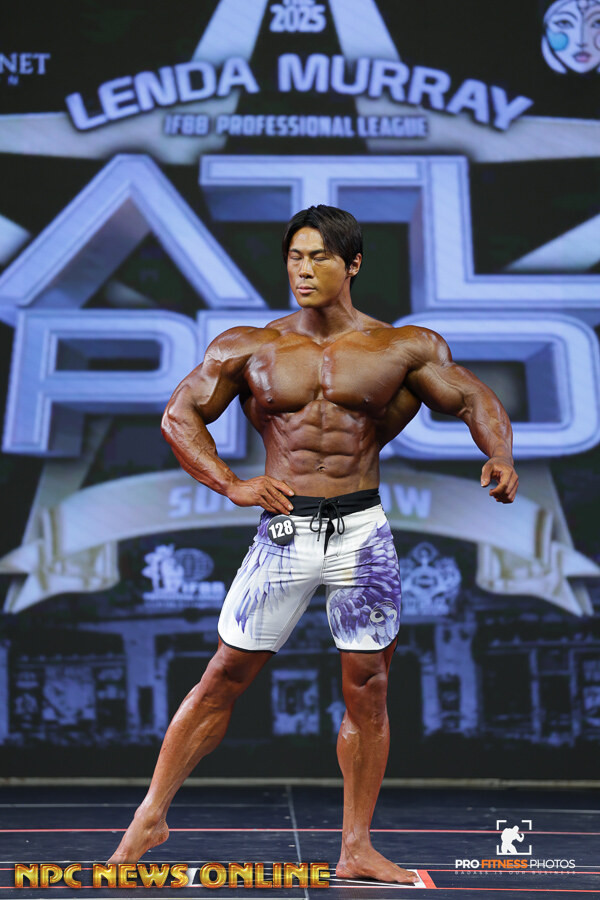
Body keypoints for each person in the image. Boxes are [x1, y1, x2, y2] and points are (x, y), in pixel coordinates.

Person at [109, 205, 518, 884]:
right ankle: (149, 817)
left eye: (319, 257)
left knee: (369, 686)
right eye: (295, 257)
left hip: (361, 533)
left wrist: (499, 454)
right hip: (285, 530)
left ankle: (355, 847)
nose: (303, 270)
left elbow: (475, 399)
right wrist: (230, 484)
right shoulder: (251, 346)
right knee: (223, 677)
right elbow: (180, 415)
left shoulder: (402, 347)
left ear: (352, 264)